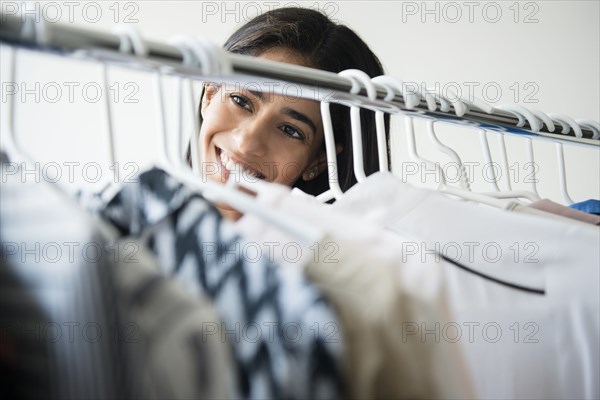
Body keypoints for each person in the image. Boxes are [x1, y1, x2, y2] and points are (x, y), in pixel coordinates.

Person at [187, 7, 389, 219]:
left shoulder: (327, 251)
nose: (247, 142)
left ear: (318, 161)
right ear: (209, 96)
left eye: (289, 130)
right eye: (241, 101)